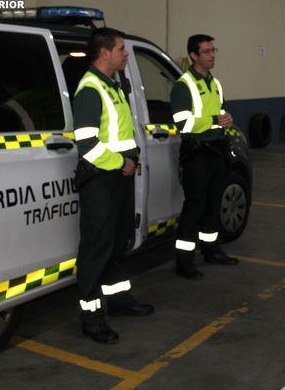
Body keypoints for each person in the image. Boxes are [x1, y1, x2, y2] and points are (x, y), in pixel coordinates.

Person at [73, 28, 154, 344]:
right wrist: (122, 163)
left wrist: (128, 160)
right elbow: (88, 145)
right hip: (101, 182)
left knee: (117, 243)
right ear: (104, 52)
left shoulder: (113, 86)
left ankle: (119, 300)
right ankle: (92, 319)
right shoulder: (91, 89)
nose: (126, 53)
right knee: (96, 249)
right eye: (121, 48)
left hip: (118, 180)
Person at [170, 34, 239, 279]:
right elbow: (182, 122)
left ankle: (211, 249)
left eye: (213, 50)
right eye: (207, 51)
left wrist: (225, 119)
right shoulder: (184, 85)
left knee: (213, 204)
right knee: (194, 207)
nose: (212, 55)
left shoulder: (215, 83)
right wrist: (212, 121)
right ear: (194, 56)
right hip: (196, 154)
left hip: (216, 150)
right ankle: (184, 261)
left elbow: (218, 112)